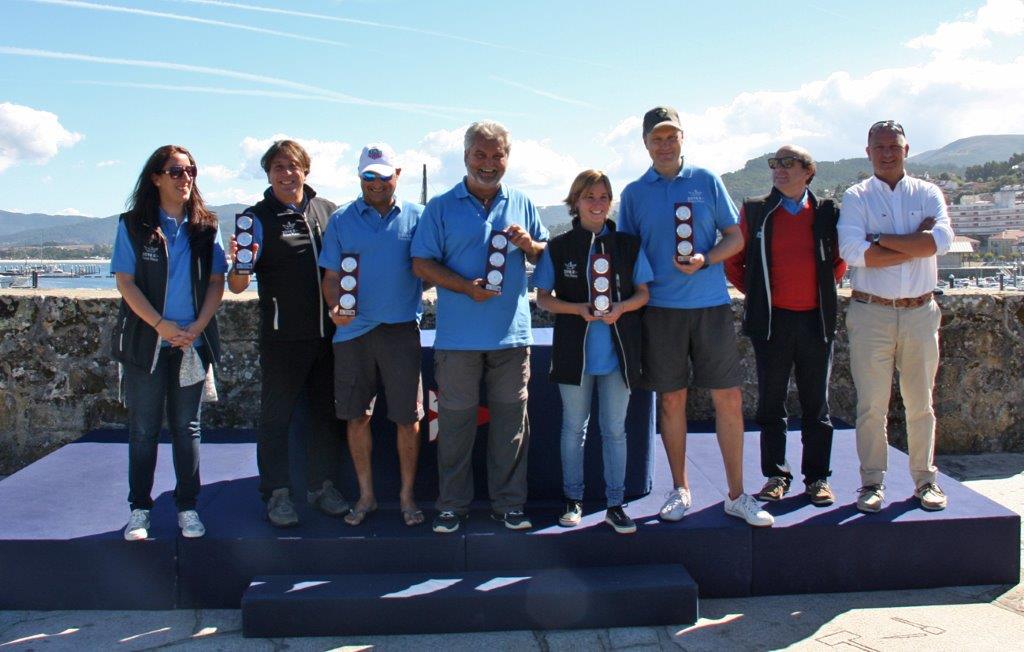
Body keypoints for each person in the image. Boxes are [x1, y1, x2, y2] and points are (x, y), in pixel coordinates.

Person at [618, 106, 773, 527]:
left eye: (672, 137)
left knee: (729, 397)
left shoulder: (706, 181)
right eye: (657, 138)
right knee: (671, 399)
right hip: (660, 311)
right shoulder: (633, 193)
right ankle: (680, 488)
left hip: (710, 306)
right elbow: (626, 254)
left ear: (682, 139)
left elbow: (735, 237)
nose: (665, 145)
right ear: (646, 143)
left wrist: (705, 260)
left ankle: (738, 495)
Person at [411, 120, 549, 534]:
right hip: (458, 340)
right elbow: (421, 263)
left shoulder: (522, 201)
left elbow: (546, 258)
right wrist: (464, 288)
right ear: (466, 156)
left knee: (511, 428)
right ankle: (452, 505)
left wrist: (530, 246)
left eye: (497, 156)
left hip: (511, 337)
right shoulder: (439, 206)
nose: (489, 164)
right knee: (454, 427)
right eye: (480, 155)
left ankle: (509, 505)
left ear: (507, 158)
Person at [227, 139, 347, 527]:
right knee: (276, 418)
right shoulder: (256, 217)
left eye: (293, 166)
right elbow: (238, 286)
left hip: (329, 335)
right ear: (268, 174)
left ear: (305, 170)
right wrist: (238, 265)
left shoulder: (329, 212)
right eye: (278, 167)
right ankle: (277, 493)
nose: (286, 173)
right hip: (282, 338)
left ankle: (322, 486)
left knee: (325, 416)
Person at [838, 120, 954, 513]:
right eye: (879, 147)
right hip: (872, 312)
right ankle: (872, 482)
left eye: (894, 146)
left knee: (921, 402)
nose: (886, 153)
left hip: (920, 311)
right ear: (868, 152)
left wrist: (880, 240)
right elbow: (853, 252)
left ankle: (925, 480)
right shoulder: (856, 196)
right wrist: (915, 244)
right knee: (872, 404)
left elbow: (941, 241)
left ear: (907, 150)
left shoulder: (928, 192)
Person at [111, 145, 226, 541]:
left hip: (191, 341)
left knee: (187, 427)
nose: (185, 178)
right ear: (156, 177)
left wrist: (197, 326)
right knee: (143, 429)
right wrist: (161, 325)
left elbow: (216, 282)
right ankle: (140, 509)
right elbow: (125, 282)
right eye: (176, 171)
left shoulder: (206, 227)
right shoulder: (132, 225)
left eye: (191, 170)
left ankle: (187, 506)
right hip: (148, 340)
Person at [725, 145, 846, 506]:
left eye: (787, 163)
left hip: (816, 321)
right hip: (772, 321)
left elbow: (838, 263)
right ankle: (776, 475)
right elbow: (735, 262)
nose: (779, 169)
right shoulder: (756, 209)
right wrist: (762, 294)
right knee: (771, 404)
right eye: (774, 164)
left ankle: (817, 478)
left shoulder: (827, 211)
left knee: (816, 405)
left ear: (809, 170)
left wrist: (815, 291)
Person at [535, 169, 652, 534]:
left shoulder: (628, 245)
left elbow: (644, 294)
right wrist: (578, 309)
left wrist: (621, 308)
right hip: (575, 354)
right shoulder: (559, 246)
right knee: (574, 429)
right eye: (589, 197)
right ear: (576, 202)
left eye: (603, 197)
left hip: (619, 353)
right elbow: (542, 298)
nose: (597, 204)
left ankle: (615, 503)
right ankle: (573, 499)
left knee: (614, 431)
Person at [319, 143, 426, 527]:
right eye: (369, 176)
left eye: (383, 175)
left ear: (397, 174)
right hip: (354, 333)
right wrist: (335, 308)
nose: (376, 183)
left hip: (400, 330)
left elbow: (431, 267)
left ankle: (407, 497)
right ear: (359, 176)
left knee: (407, 419)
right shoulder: (342, 219)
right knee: (357, 417)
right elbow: (331, 278)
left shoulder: (419, 216)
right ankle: (366, 496)